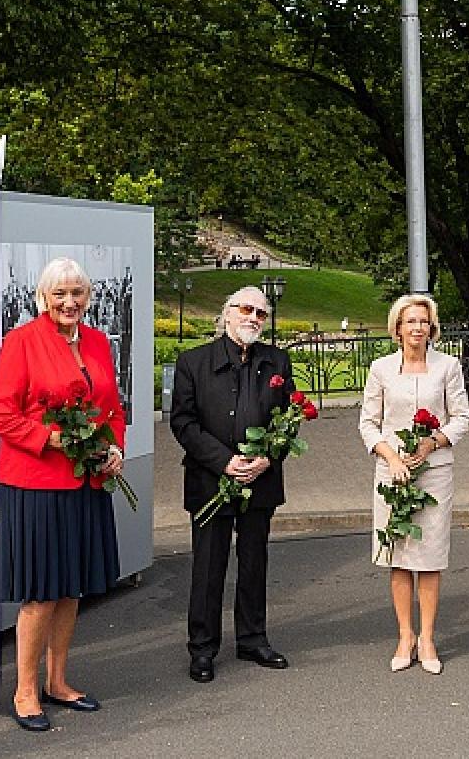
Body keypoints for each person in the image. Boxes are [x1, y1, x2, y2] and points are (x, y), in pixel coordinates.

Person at [0, 257, 124, 733]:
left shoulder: (98, 342)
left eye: (78, 293)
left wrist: (114, 449)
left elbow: (112, 408)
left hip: (86, 483)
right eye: (60, 294)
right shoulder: (21, 341)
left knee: (72, 588)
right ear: (43, 297)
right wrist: (54, 439)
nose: (70, 302)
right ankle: (25, 691)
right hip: (37, 484)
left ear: (88, 297)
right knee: (41, 594)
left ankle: (58, 682)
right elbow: (1, 416)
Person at [171, 285, 295, 684]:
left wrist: (267, 458)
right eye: (247, 309)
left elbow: (287, 420)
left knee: (255, 562)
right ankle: (203, 648)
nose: (254, 318)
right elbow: (183, 422)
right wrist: (224, 461)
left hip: (260, 481)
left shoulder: (277, 361)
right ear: (227, 314)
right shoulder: (193, 362)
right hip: (211, 481)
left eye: (261, 313)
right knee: (209, 567)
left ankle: (253, 638)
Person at [359, 294, 469, 674]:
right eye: (410, 321)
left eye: (423, 322)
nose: (417, 328)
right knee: (400, 555)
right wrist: (391, 457)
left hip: (435, 472)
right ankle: (405, 635)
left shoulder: (448, 366)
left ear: (432, 328)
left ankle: (427, 637)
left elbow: (461, 418)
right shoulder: (381, 369)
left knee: (430, 558)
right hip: (393, 473)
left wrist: (432, 442)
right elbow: (368, 424)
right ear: (397, 328)